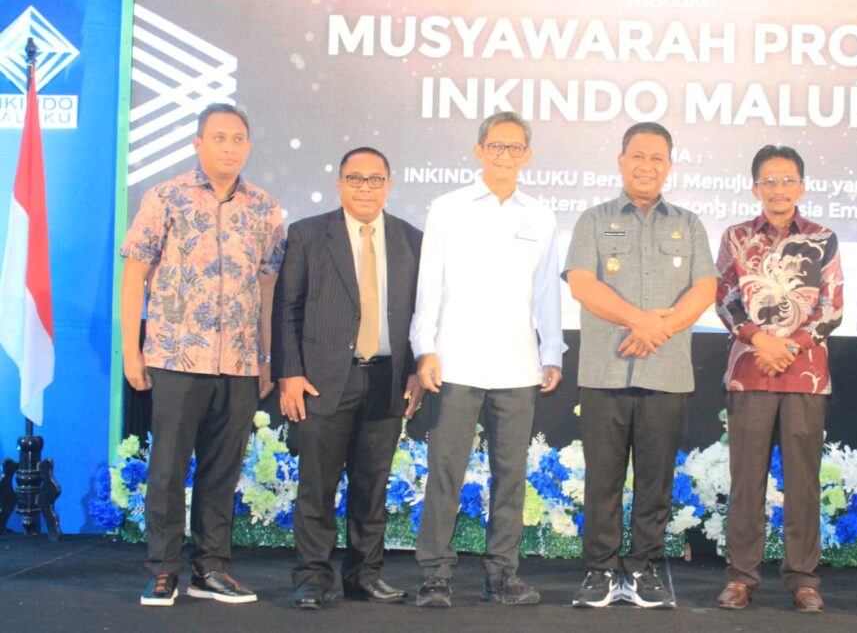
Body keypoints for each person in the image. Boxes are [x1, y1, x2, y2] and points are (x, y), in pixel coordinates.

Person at [121, 103, 285, 606]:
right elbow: (135, 273)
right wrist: (132, 350)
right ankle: (163, 569)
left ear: (248, 146)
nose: (229, 147)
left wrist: (266, 356)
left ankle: (211, 568)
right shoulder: (164, 197)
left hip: (238, 361)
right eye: (218, 137)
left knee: (222, 469)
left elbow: (268, 286)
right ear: (198, 143)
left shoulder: (265, 208)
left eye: (238, 138)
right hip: (175, 358)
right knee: (167, 468)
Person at [410, 111, 564, 608]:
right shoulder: (448, 208)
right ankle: (436, 573)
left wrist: (552, 350)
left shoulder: (540, 216)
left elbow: (547, 291)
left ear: (528, 156)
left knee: (511, 475)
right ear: (479, 151)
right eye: (496, 146)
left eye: (515, 147)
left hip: (518, 364)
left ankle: (502, 575)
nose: (505, 155)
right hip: (455, 361)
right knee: (446, 471)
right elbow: (429, 283)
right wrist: (424, 348)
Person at [564, 122, 717, 609]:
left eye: (656, 158)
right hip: (604, 372)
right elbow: (582, 284)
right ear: (621, 161)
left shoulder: (689, 224)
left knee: (655, 480)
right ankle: (600, 570)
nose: (646, 166)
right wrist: (640, 320)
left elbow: (705, 289)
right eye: (637, 155)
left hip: (666, 373)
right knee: (602, 478)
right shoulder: (593, 219)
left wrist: (659, 330)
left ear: (669, 166)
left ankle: (644, 569)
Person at [271, 147, 424, 610]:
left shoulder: (411, 239)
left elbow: (421, 315)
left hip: (387, 379)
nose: (365, 188)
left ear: (389, 185)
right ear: (339, 183)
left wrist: (417, 370)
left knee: (371, 487)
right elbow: (287, 308)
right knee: (316, 487)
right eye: (355, 179)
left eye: (375, 179)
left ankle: (364, 575)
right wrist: (289, 373)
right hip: (323, 380)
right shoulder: (308, 234)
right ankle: (312, 579)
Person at [713, 145, 843, 613]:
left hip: (805, 376)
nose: (778, 189)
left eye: (787, 180)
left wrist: (788, 348)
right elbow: (724, 299)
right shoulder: (736, 236)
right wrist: (759, 341)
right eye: (769, 181)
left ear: (801, 187)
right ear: (755, 188)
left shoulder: (822, 238)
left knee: (803, 483)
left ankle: (804, 580)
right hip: (750, 374)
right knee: (746, 481)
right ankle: (741, 577)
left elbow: (832, 307)